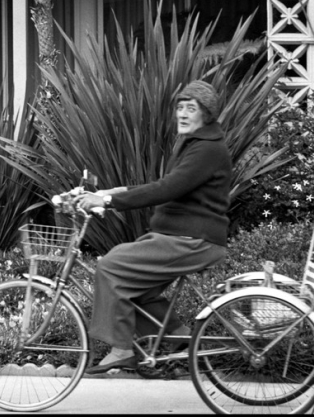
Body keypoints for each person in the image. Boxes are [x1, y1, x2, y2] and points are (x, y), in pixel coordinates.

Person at [74, 80, 231, 374]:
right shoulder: (194, 143)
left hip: (192, 239)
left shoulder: (207, 150)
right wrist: (111, 192)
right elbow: (163, 186)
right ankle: (181, 339)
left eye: (191, 108)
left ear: (206, 115)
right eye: (180, 107)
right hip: (181, 235)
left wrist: (107, 200)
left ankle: (122, 349)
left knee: (111, 266)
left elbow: (166, 189)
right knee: (138, 290)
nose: (182, 114)